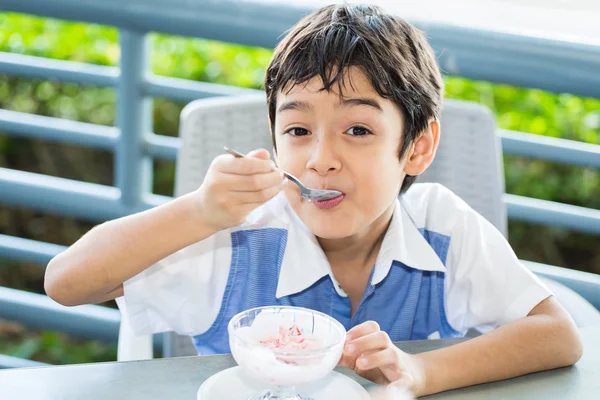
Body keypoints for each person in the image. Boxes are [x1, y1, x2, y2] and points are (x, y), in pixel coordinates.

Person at [44, 3, 582, 397]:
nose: (319, 159)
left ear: (417, 148)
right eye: (298, 129)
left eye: (358, 130)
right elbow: (66, 282)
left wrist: (420, 372)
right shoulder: (235, 238)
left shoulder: (442, 227)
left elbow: (558, 337)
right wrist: (198, 212)